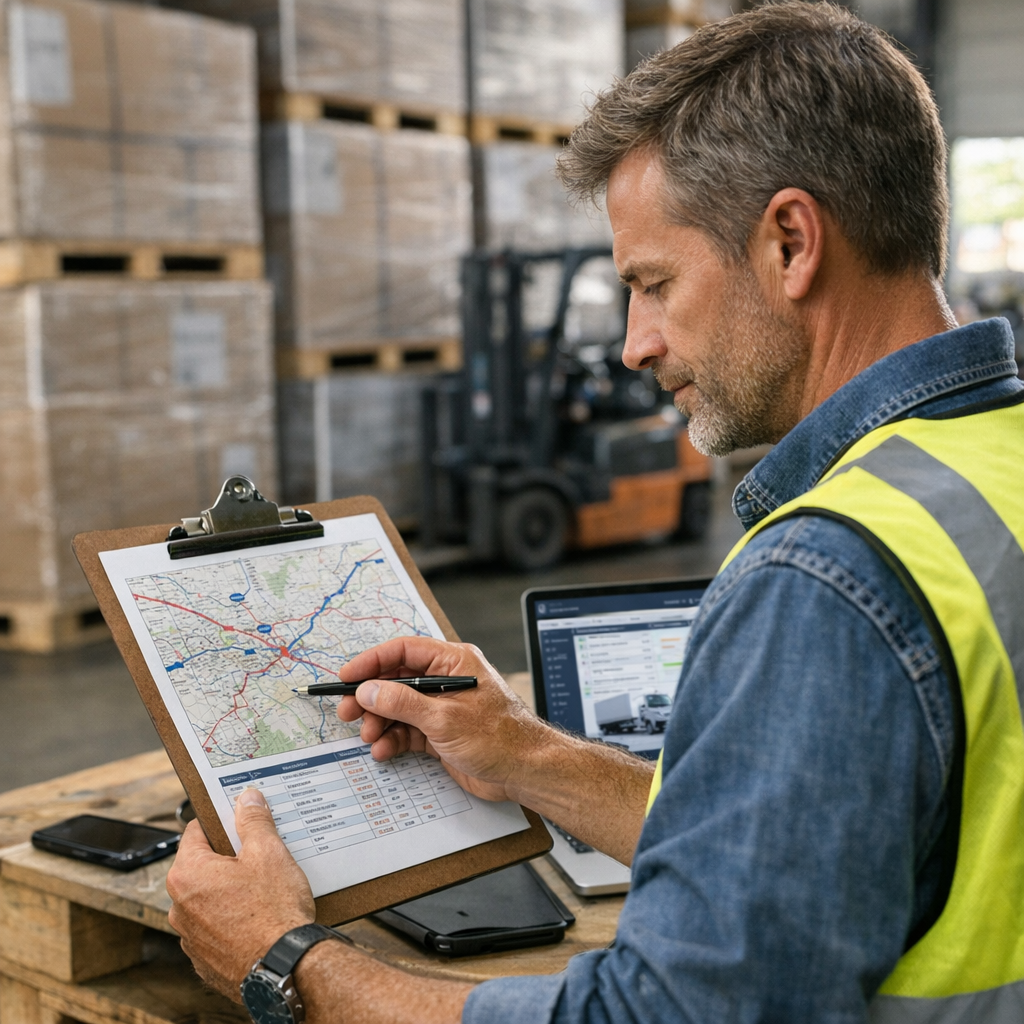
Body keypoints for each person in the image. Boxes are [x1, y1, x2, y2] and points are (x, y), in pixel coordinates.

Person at [166, 3, 1024, 1021]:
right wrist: (527, 752)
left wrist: (289, 962)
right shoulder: (986, 467)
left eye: (652, 283)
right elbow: (804, 844)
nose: (633, 342)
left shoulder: (824, 577)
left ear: (791, 242)